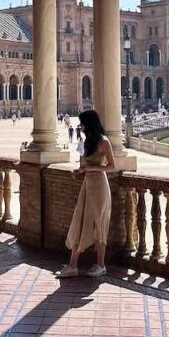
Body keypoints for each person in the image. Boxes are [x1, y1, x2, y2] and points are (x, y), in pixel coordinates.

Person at [58, 109, 115, 279]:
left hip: (99, 187)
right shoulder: (87, 141)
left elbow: (111, 166)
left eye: (82, 123)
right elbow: (85, 165)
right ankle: (73, 265)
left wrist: (92, 168)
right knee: (81, 221)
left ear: (89, 124)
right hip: (87, 185)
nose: (80, 126)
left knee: (99, 224)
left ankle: (100, 265)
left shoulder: (104, 142)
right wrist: (80, 171)